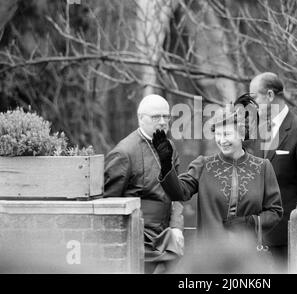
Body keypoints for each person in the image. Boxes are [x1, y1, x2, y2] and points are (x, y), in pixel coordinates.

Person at [151, 110, 283, 261]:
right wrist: (167, 165)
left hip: (248, 256)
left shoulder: (262, 167)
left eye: (226, 134)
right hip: (210, 258)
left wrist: (250, 222)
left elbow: (275, 212)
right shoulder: (203, 165)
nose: (221, 140)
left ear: (241, 134)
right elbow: (179, 193)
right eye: (218, 135)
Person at [248, 72, 297, 271]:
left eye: (253, 98)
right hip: (257, 236)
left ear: (270, 96)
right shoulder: (258, 130)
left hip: (288, 240)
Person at [103, 94, 184, 274]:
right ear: (140, 118)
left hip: (166, 235)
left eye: (166, 116)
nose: (163, 122)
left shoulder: (169, 147)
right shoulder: (124, 153)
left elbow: (177, 194)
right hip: (138, 238)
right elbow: (108, 205)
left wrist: (176, 227)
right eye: (156, 117)